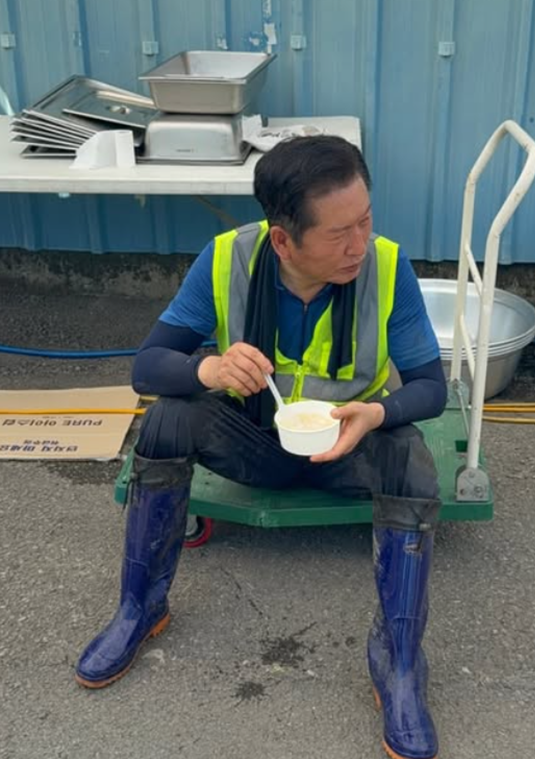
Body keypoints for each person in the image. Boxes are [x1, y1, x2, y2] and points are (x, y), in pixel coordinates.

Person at [75, 135, 447, 759]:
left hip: (346, 446)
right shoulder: (227, 259)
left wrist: (377, 412)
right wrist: (210, 369)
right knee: (167, 419)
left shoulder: (386, 267)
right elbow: (147, 366)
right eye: (339, 233)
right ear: (283, 240)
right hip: (253, 443)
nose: (359, 245)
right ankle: (140, 607)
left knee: (410, 457)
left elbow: (432, 388)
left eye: (365, 220)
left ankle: (399, 660)